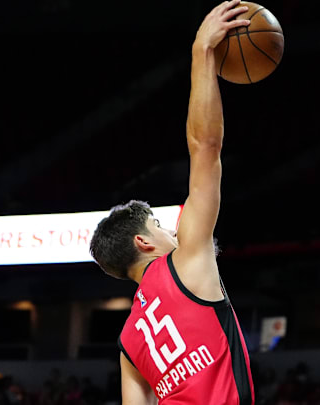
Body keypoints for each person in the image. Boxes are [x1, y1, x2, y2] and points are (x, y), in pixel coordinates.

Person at [88, 1, 255, 404]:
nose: (171, 231)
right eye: (159, 226)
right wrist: (202, 52)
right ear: (144, 243)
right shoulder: (185, 263)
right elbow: (205, 147)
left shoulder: (129, 343)